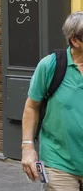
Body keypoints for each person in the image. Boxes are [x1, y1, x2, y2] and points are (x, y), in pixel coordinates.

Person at [21, 12, 83, 189]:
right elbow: (32, 107)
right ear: (74, 41)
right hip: (59, 164)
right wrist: (27, 147)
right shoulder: (51, 66)